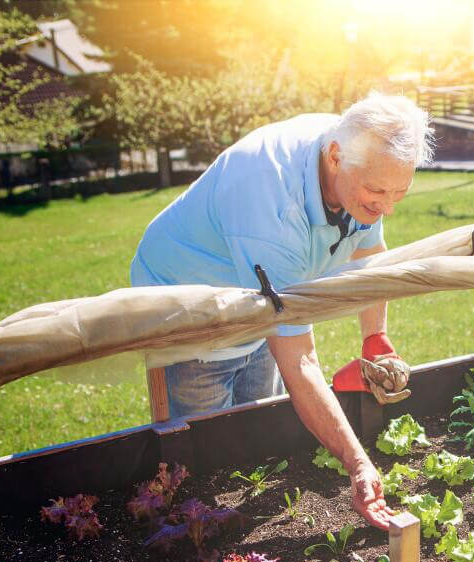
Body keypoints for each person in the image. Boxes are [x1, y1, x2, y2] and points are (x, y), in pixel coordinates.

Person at [130, 92, 434, 530]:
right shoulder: (274, 208)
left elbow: (369, 254)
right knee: (209, 454)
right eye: (378, 193)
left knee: (258, 437)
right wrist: (358, 463)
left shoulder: (366, 156)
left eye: (399, 194)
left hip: (257, 289)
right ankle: (205, 540)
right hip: (188, 308)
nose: (386, 207)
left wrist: (375, 339)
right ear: (335, 157)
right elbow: (301, 360)